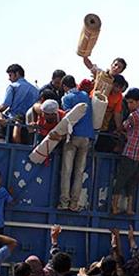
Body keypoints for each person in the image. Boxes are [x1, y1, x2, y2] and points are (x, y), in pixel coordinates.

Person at [110, 88, 139, 216]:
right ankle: (129, 208)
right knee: (132, 183)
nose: (129, 105)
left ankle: (114, 207)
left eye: (131, 102)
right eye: (128, 102)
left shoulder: (134, 115)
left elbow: (124, 126)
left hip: (130, 152)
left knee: (121, 180)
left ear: (138, 102)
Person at [59, 75, 93, 212]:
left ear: (64, 86)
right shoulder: (85, 95)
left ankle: (64, 202)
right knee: (79, 172)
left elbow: (67, 117)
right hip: (87, 137)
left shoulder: (66, 98)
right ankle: (74, 203)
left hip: (73, 136)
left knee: (67, 171)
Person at [0, 64, 39, 144]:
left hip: (12, 124)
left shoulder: (12, 86)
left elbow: (5, 106)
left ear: (17, 73)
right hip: (28, 126)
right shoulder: (35, 90)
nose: (9, 78)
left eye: (10, 75)